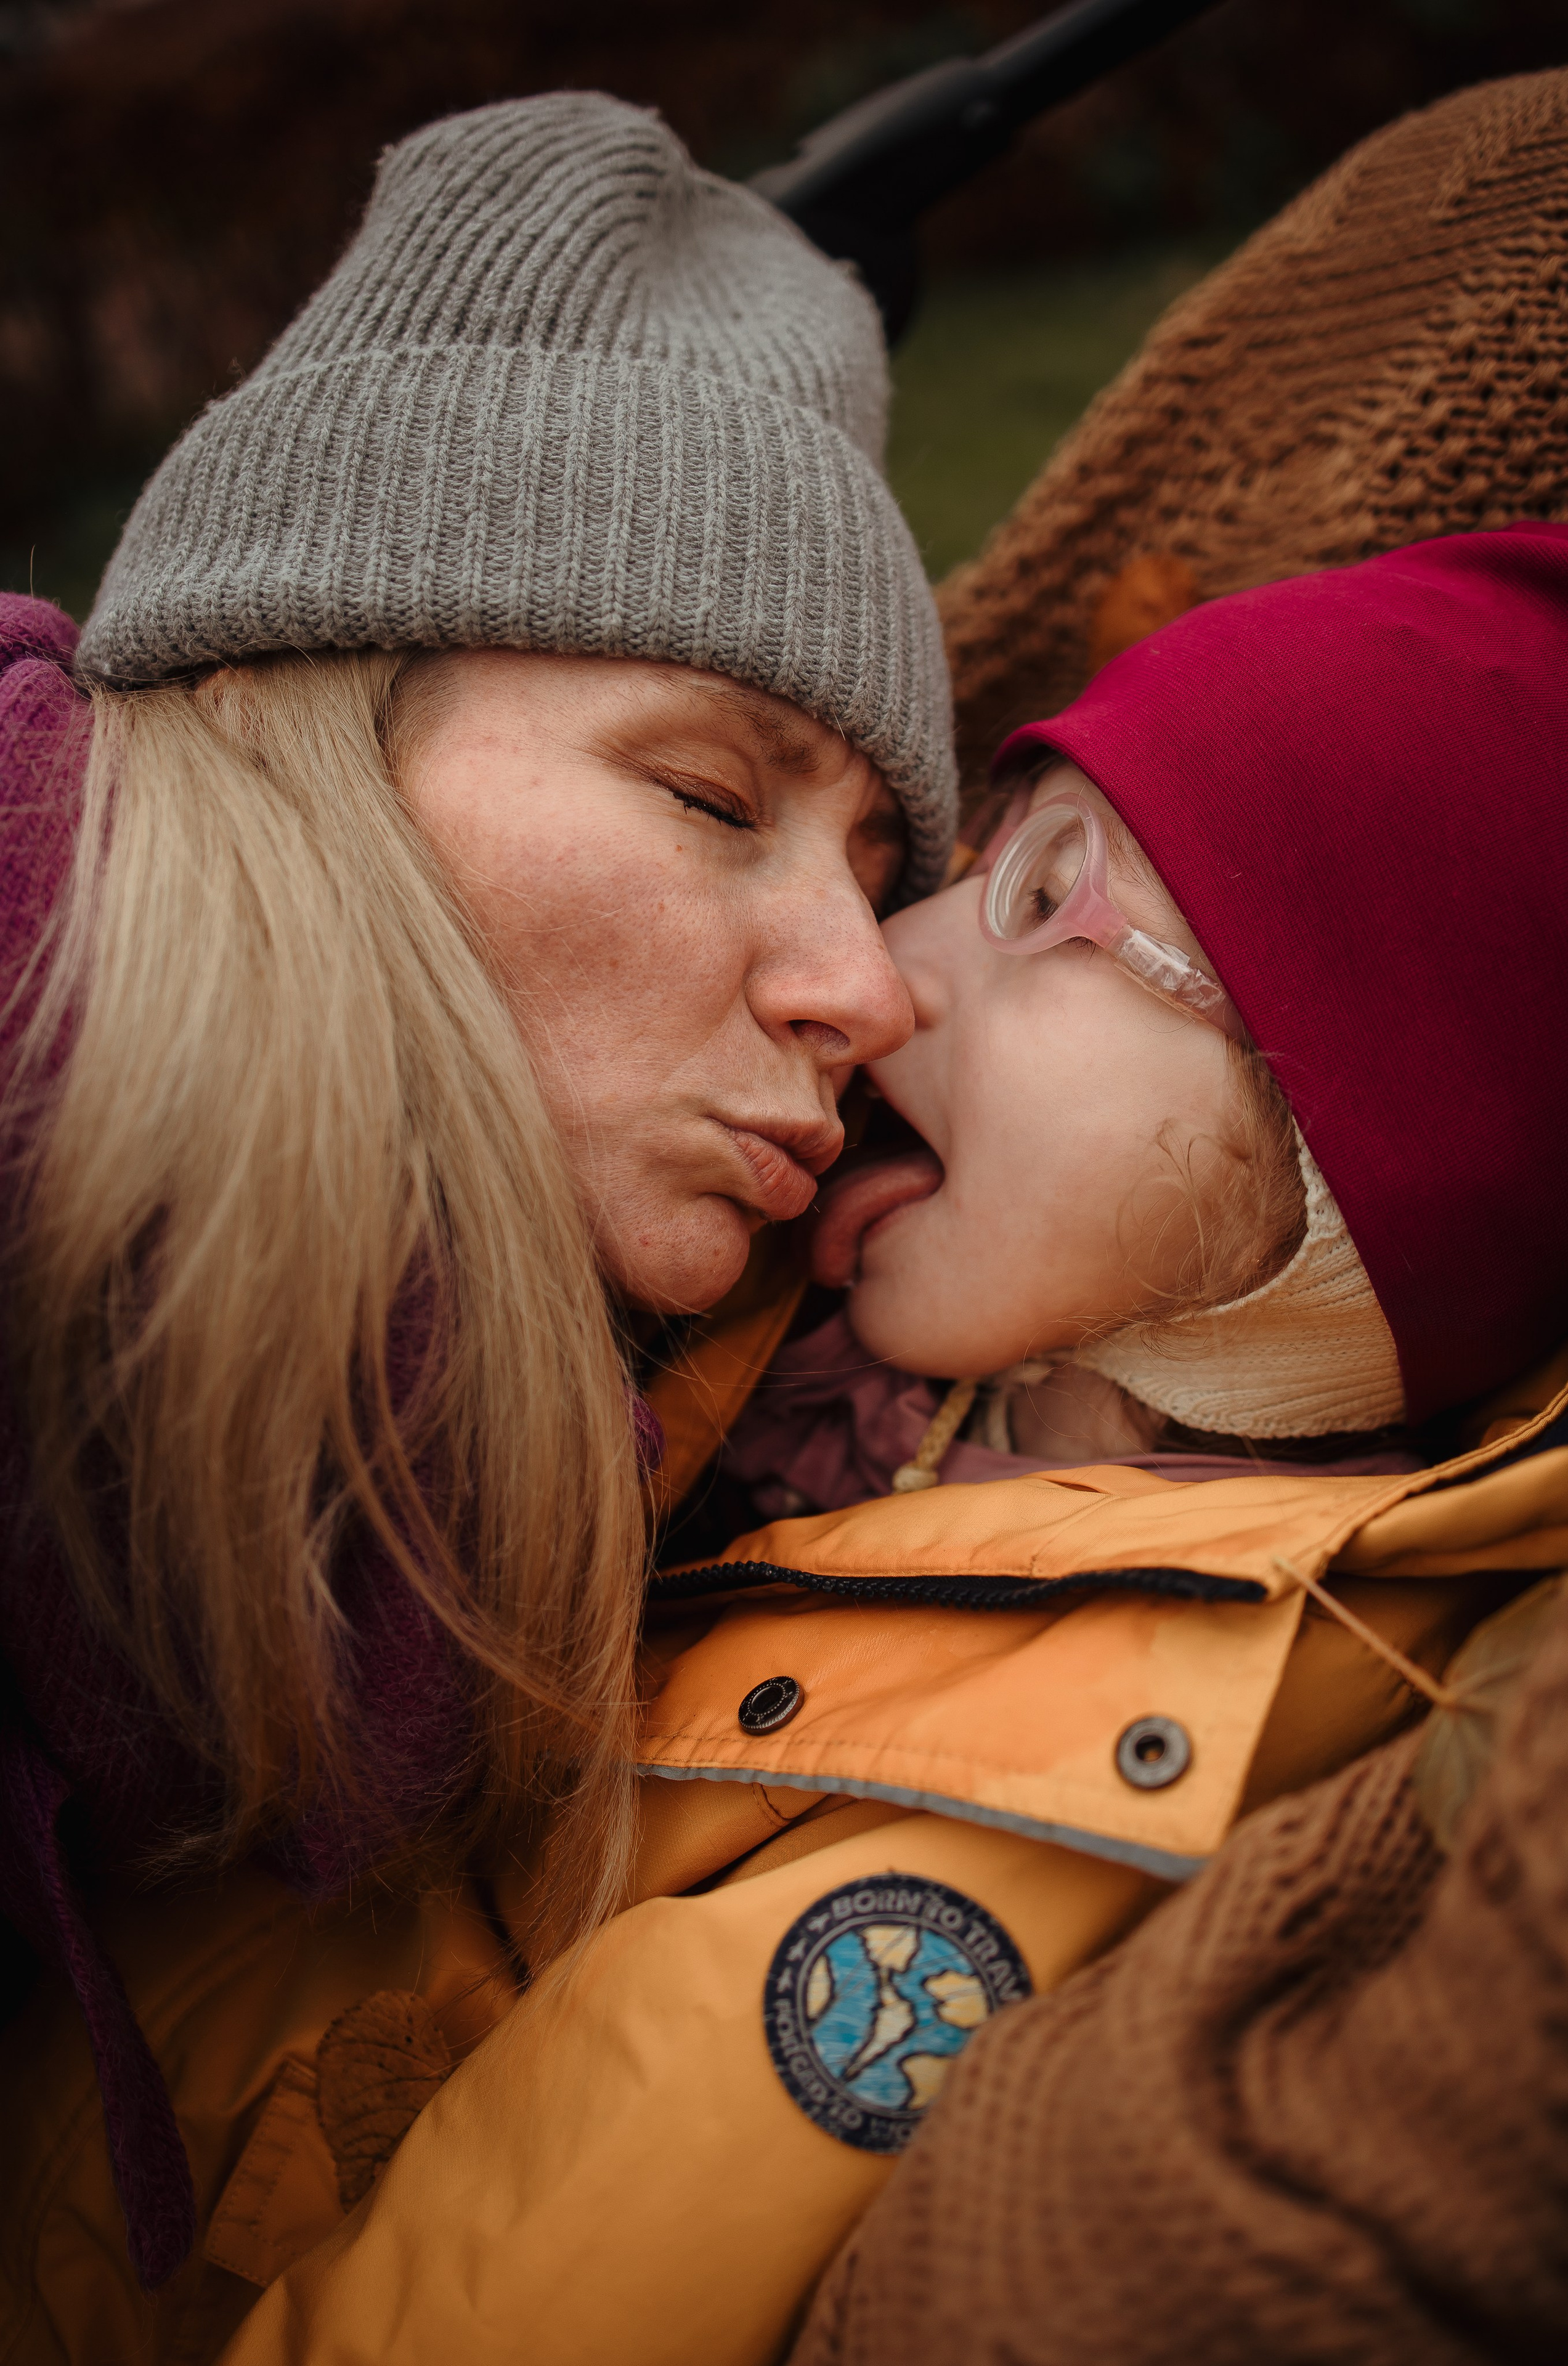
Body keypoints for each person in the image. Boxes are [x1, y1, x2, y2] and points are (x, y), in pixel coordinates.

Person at [209, 524, 1568, 2366]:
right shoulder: (774, 1287)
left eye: (1046, 906)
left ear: (1372, 1126)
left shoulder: (1164, 1715)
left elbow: (598, 2223)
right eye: (964, 870)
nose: (884, 967)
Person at [0, 89, 957, 2354]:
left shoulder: (352, 1482)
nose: (876, 991)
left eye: (881, 873)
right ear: (288, 706)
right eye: (712, 792)